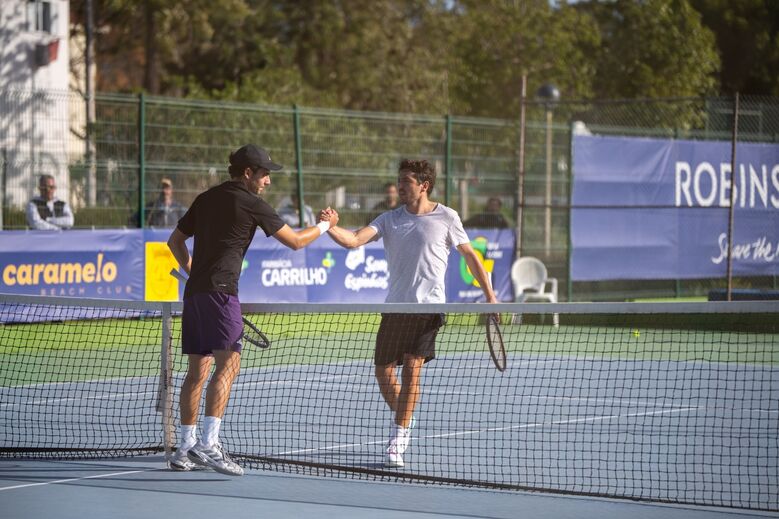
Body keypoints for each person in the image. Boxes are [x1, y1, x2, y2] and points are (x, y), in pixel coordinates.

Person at [166, 144, 337, 476]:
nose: (268, 182)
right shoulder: (252, 203)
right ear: (248, 173)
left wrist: (193, 273)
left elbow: (174, 242)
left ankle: (183, 449)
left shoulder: (205, 198)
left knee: (196, 373)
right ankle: (209, 445)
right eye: (265, 174)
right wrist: (326, 225)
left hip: (196, 295)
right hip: (221, 295)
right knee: (228, 367)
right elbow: (298, 241)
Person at [321, 159, 497, 468]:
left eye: (406, 182)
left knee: (412, 369)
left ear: (423, 185)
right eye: (399, 181)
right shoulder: (389, 219)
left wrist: (491, 297)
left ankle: (397, 438)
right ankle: (406, 416)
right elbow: (354, 240)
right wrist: (330, 226)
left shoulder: (447, 217)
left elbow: (471, 257)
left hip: (429, 309)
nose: (400, 187)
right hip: (395, 307)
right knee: (382, 372)